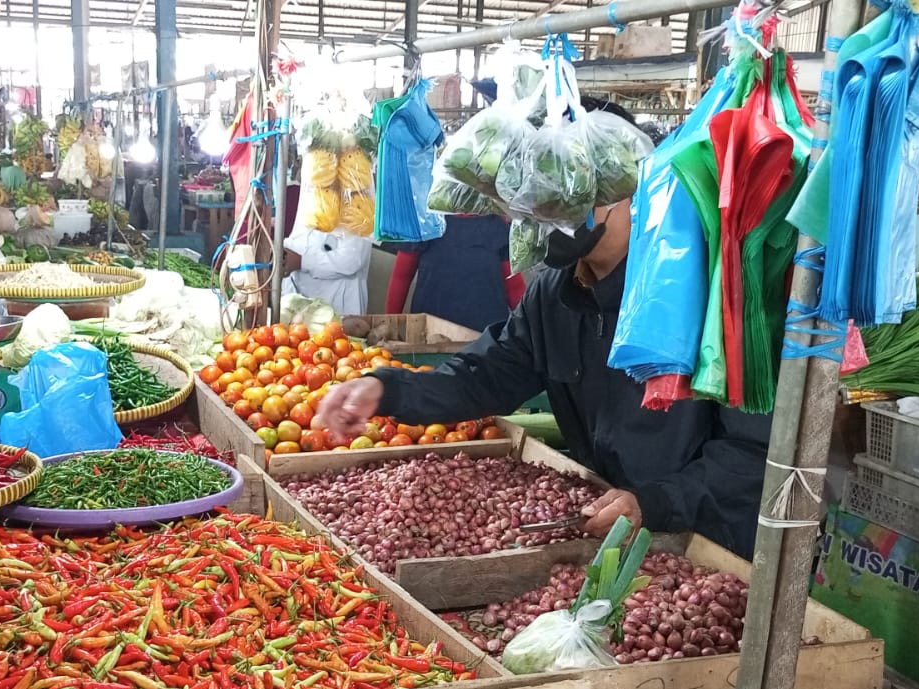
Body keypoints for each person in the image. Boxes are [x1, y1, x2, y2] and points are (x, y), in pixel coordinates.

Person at [320, 177, 773, 558]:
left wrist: (654, 503)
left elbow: (752, 455)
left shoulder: (707, 293)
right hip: (612, 527)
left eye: (564, 197)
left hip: (709, 544)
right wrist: (385, 390)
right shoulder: (557, 291)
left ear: (626, 192)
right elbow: (490, 374)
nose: (542, 216)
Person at [385, 214, 525, 331]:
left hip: (486, 339)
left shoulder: (497, 226)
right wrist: (390, 325)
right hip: (429, 333)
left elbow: (514, 289)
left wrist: (532, 329)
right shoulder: (425, 221)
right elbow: (401, 277)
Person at [283, 227, 373, 317]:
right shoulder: (307, 213)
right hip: (297, 302)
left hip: (337, 306)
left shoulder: (359, 217)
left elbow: (352, 260)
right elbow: (298, 238)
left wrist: (302, 261)